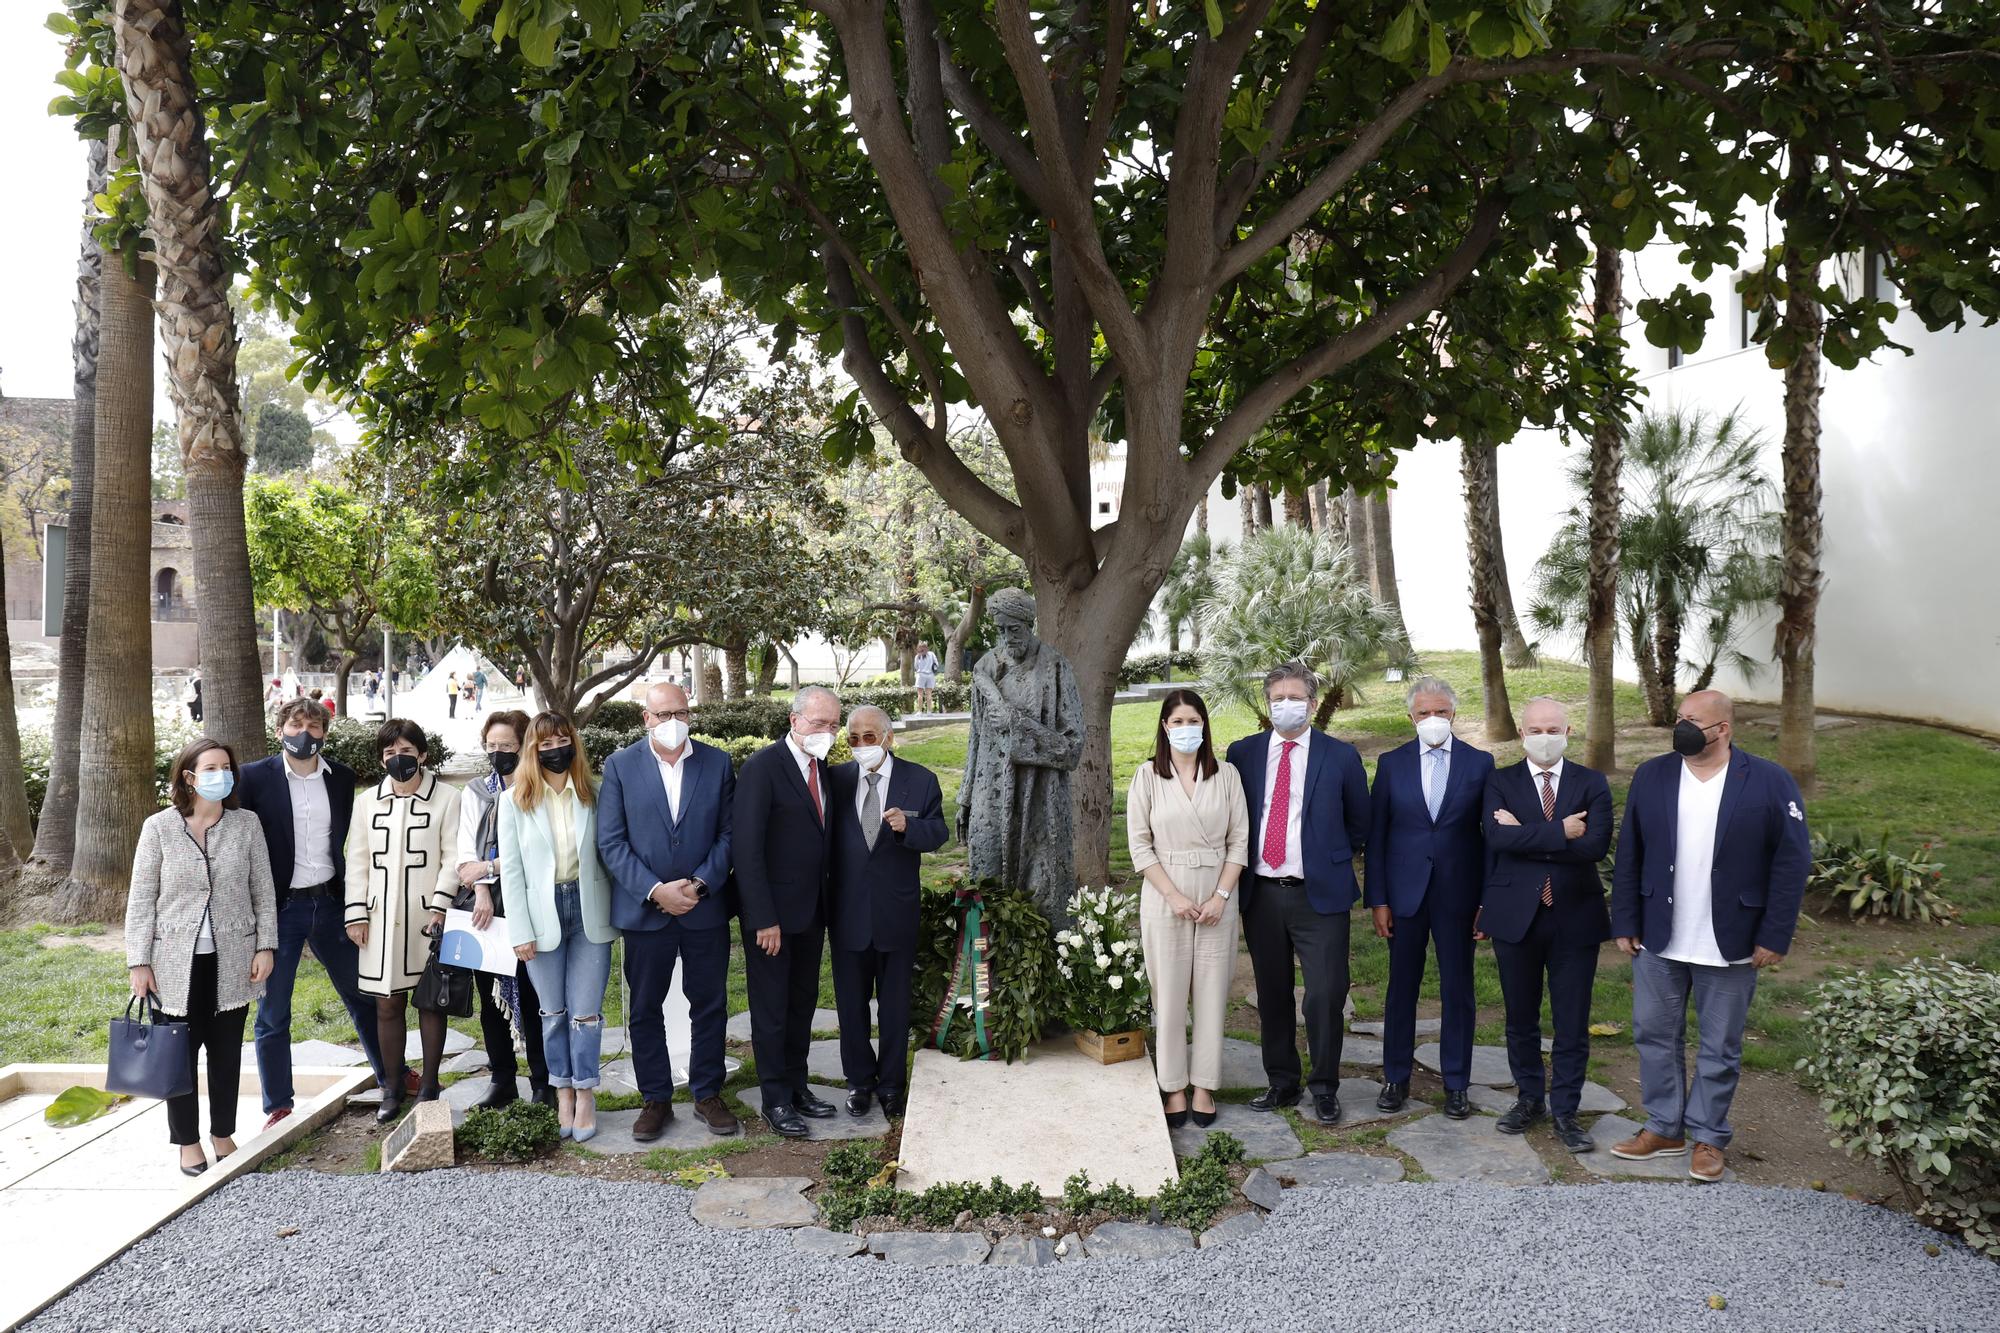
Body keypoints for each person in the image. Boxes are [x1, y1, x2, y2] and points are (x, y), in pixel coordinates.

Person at [1609, 690, 1809, 1182]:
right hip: (1660, 935)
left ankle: (1708, 1136)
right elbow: (1629, 851)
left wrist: (1775, 934)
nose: (1683, 727)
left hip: (1733, 938)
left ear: (1722, 728)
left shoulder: (1768, 780)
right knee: (1654, 1035)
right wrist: (1626, 920)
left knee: (1721, 1045)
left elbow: (1791, 862)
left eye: (1693, 720)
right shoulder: (1652, 774)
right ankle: (1663, 1127)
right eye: (1680, 718)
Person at [1224, 663, 1370, 1124]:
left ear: (1312, 701)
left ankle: (1324, 1085)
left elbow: (1358, 824)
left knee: (1325, 993)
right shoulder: (1243, 753)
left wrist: (1325, 855)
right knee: (1272, 991)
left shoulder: (1340, 756)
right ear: (1268, 704)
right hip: (1262, 893)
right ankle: (1282, 1081)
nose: (1286, 705)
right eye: (1277, 698)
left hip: (1318, 895)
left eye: (1295, 697)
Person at [125, 739, 277, 1175]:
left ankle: (223, 1133)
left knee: (226, 1054)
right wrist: (139, 961)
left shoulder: (246, 825)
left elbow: (262, 892)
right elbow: (141, 900)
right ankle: (187, 1142)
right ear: (188, 777)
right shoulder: (158, 828)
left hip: (232, 959)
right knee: (178, 1058)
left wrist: (265, 945)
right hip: (173, 964)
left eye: (226, 767)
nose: (220, 774)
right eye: (210, 767)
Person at [597, 681, 740, 1139]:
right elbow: (611, 842)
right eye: (662, 715)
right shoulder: (620, 766)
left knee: (710, 1003)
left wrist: (698, 884)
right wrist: (656, 890)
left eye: (680, 712)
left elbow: (729, 834)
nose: (672, 722)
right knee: (644, 1007)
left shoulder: (717, 763)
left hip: (703, 909)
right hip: (647, 912)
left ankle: (707, 1093)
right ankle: (655, 1099)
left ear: (690, 714)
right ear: (646, 718)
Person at [240, 698, 390, 1131]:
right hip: (281, 908)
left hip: (330, 903)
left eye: (313, 724)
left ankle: (390, 1076)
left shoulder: (341, 778)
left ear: (325, 731)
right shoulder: (253, 777)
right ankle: (278, 1105)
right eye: (295, 723)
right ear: (280, 728)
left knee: (363, 995)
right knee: (273, 1010)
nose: (303, 731)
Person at [1476, 697, 1614, 1152]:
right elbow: (1496, 838)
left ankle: (1567, 1111)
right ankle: (1530, 1098)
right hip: (1517, 917)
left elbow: (1593, 846)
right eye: (1536, 729)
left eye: (1553, 729)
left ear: (1569, 732)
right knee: (1520, 1018)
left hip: (1575, 916)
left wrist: (1525, 833)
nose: (1544, 737)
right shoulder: (1499, 781)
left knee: (1571, 1022)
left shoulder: (1592, 782)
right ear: (1521, 734)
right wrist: (1558, 832)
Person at [1366, 676, 1494, 1119]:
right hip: (1404, 896)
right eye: (1424, 713)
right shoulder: (1391, 763)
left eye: (1441, 711)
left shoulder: (1480, 764)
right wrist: (1378, 899)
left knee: (1458, 989)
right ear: (1411, 717)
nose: (1433, 719)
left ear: (1453, 714)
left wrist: (1487, 901)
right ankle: (1395, 1077)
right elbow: (1377, 836)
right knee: (1402, 988)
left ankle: (1456, 1083)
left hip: (1459, 895)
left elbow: (1490, 839)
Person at [1131, 690, 1249, 1128]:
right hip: (1166, 893)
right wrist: (1175, 897)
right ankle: (1174, 1086)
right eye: (1177, 721)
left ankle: (1204, 1085)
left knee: (1212, 992)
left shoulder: (1227, 776)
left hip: (1218, 891)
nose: (1186, 729)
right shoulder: (1147, 777)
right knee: (1170, 994)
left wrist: (1219, 896)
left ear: (1205, 725)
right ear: (1165, 727)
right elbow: (1140, 847)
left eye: (1193, 720)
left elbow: (1240, 840)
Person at [499, 712, 619, 1143]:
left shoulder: (595, 793)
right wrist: (519, 930)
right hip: (541, 914)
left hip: (589, 913)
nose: (554, 751)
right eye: (544, 744)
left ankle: (585, 1093)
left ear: (574, 744)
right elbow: (511, 872)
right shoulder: (513, 800)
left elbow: (611, 853)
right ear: (532, 749)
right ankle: (561, 1090)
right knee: (551, 1013)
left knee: (585, 1013)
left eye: (562, 741)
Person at [827, 705, 949, 1118]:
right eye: (854, 739)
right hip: (846, 913)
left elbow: (938, 833)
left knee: (895, 1005)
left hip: (896, 912)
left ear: (888, 738)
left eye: (869, 737)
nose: (861, 745)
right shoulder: (835, 780)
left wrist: (907, 829)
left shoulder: (920, 780)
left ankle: (893, 1084)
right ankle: (860, 1082)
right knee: (851, 1004)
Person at [734, 684, 841, 1138]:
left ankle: (798, 1085)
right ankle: (774, 1098)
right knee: (772, 1009)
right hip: (772, 919)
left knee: (802, 1005)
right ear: (795, 721)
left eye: (834, 725)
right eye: (819, 724)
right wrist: (763, 918)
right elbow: (747, 848)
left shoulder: (823, 769)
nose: (827, 732)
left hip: (812, 913)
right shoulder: (762, 768)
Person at [343, 719, 460, 1124]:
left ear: (423, 754)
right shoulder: (366, 802)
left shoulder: (447, 798)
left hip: (428, 917)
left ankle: (428, 1085)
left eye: (406, 751)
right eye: (390, 753)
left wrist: (441, 905)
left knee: (430, 1003)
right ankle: (391, 1087)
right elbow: (356, 862)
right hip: (378, 920)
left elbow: (453, 858)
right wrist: (356, 913)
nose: (398, 759)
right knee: (387, 1005)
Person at [454, 709, 553, 1109]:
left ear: (524, 745)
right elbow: (465, 852)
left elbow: (536, 853)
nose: (499, 753)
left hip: (531, 905)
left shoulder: (540, 791)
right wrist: (480, 888)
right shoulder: (475, 792)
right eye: (492, 746)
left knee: (534, 997)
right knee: (491, 999)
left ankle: (543, 1081)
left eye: (507, 746)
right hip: (486, 910)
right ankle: (503, 1079)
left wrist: (491, 868)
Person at [911, 640, 941, 714]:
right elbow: (936, 664)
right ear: (927, 648)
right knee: (929, 694)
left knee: (920, 694)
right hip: (930, 675)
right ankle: (929, 712)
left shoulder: (917, 657)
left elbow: (916, 667)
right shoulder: (931, 654)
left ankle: (920, 712)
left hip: (921, 675)